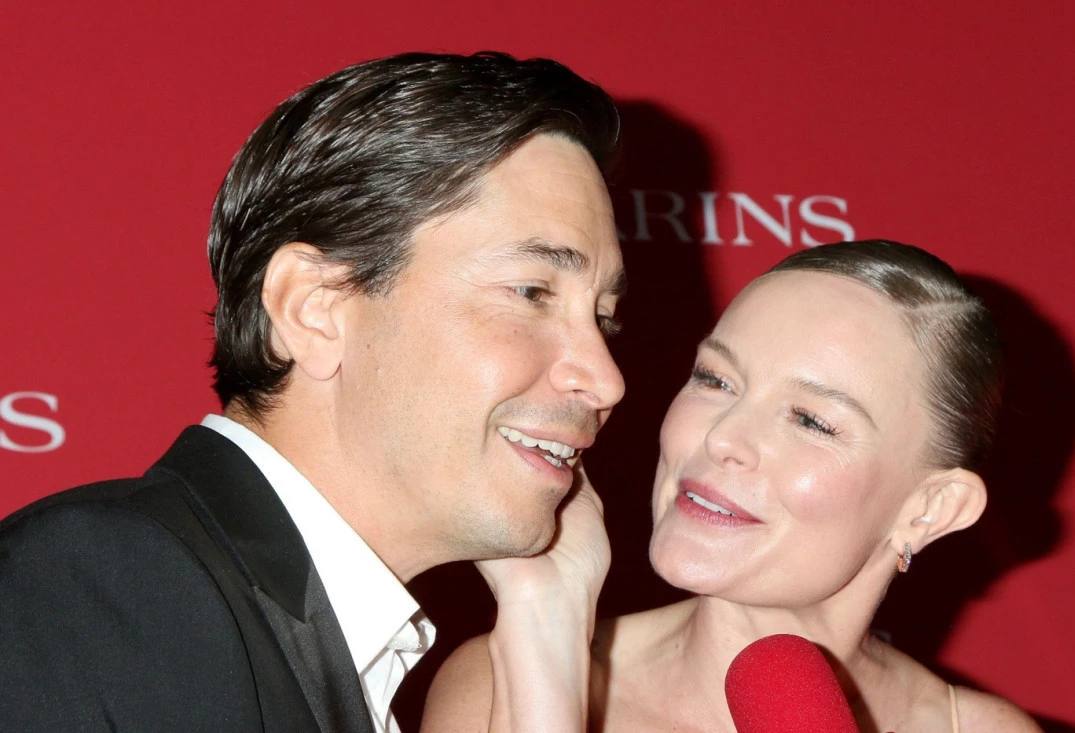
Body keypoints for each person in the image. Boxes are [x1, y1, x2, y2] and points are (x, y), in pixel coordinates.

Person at [0, 52, 626, 733]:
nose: (605, 379)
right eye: (530, 292)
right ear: (314, 308)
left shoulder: (320, 643)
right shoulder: (107, 585)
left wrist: (548, 617)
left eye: (603, 317)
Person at [423, 240, 1042, 732]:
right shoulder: (506, 682)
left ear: (930, 509)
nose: (722, 437)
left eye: (811, 420)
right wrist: (545, 628)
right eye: (716, 380)